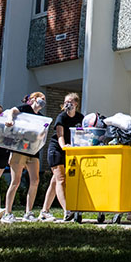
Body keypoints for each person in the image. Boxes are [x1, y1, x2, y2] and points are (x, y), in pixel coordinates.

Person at [1, 91, 47, 223]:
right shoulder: (24, 109)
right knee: (15, 181)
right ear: (33, 99)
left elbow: (41, 133)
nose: (42, 101)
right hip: (19, 149)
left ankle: (28, 212)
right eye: (40, 98)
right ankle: (7, 213)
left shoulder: (41, 117)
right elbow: (11, 111)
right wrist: (10, 119)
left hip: (33, 151)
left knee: (35, 181)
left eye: (44, 99)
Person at [39, 92, 83, 222]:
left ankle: (44, 211)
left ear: (76, 103)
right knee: (61, 180)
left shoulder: (80, 117)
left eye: (70, 101)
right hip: (57, 150)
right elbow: (60, 135)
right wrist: (64, 147)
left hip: (69, 151)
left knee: (54, 182)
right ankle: (67, 210)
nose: (67, 104)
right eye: (65, 102)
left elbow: (83, 133)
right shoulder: (61, 117)